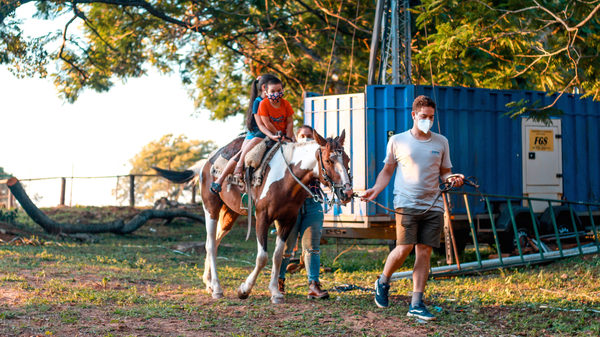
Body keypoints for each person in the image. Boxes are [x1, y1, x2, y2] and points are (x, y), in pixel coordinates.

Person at [361, 95, 463, 320]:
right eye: (424, 116)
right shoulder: (398, 140)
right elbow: (387, 170)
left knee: (424, 251)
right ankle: (383, 280)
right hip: (406, 203)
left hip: (433, 204)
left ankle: (416, 303)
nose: (428, 120)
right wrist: (375, 190)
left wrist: (453, 178)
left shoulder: (441, 141)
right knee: (404, 247)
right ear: (413, 115)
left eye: (431, 117)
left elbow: (445, 172)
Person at [210, 74, 289, 193]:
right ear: (264, 88)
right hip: (258, 132)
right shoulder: (258, 102)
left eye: (279, 90)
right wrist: (274, 133)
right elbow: (262, 123)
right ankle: (222, 178)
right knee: (242, 152)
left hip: (270, 131)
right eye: (273, 89)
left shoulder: (274, 102)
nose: (277, 93)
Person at [277, 125, 329, 300]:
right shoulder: (288, 158)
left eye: (309, 136)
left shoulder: (318, 159)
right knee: (286, 248)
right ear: (296, 137)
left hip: (313, 204)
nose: (306, 138)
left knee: (312, 247)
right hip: (291, 207)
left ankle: (313, 285)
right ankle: (279, 281)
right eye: (302, 135)